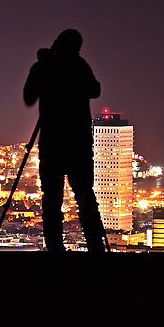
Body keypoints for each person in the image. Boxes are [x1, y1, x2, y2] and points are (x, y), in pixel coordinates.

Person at [23, 29, 106, 252]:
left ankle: (55, 249)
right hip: (78, 142)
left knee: (52, 199)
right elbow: (95, 90)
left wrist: (42, 68)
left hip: (53, 142)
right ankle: (96, 247)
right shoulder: (79, 66)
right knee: (85, 197)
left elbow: (28, 96)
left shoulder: (45, 67)